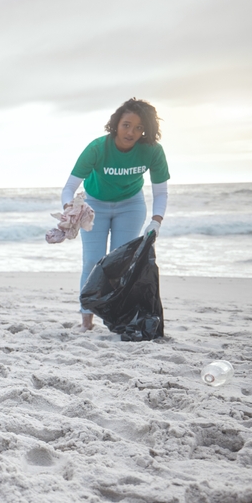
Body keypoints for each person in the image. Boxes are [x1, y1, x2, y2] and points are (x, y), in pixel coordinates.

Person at [61, 98, 170, 330]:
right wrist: (69, 209)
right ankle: (86, 320)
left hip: (130, 206)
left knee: (121, 264)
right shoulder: (97, 148)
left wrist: (156, 221)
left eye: (140, 127)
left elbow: (160, 192)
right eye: (127, 125)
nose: (132, 132)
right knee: (93, 261)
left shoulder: (152, 151)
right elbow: (68, 188)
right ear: (116, 124)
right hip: (94, 205)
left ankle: (116, 318)